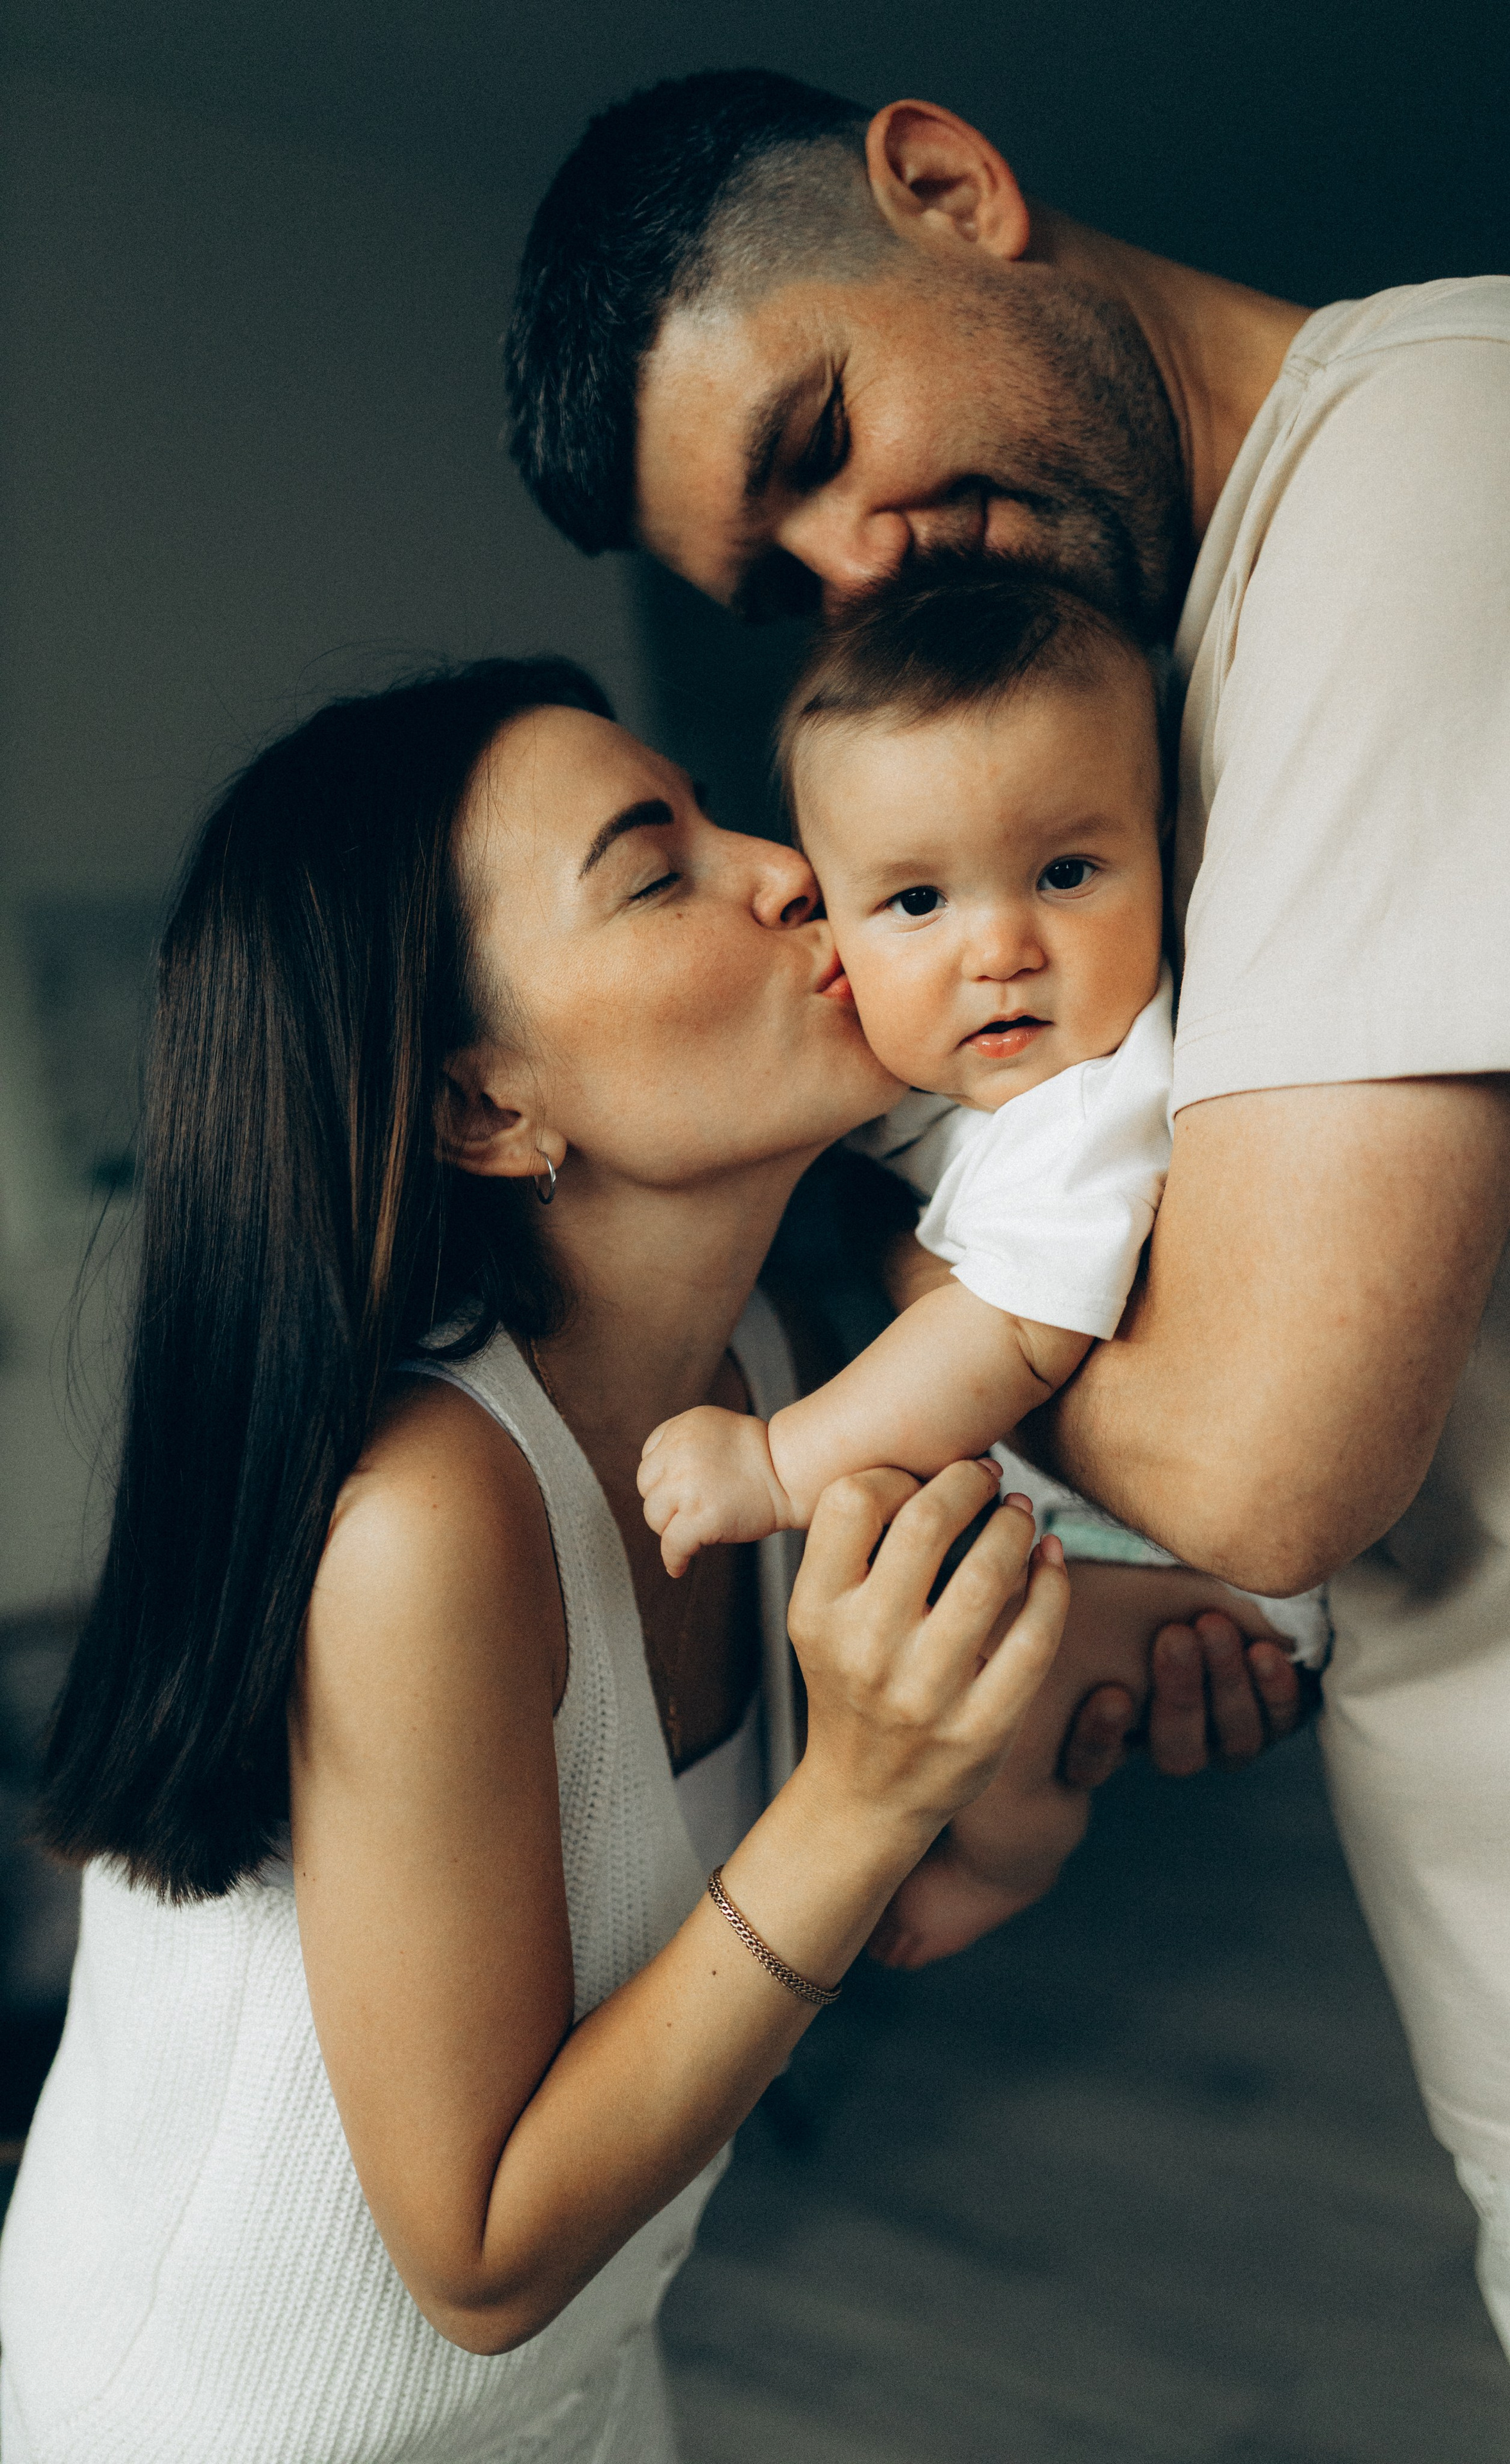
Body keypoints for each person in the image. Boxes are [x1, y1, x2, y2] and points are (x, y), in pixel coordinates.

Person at [504, 69, 1510, 2461]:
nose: (855, 563)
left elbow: (1266, 1443)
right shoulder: (1141, 707)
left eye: (819, 434)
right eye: (776, 575)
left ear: (949, 189)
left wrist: (957, 1327)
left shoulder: (1435, 457)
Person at [0, 656, 1076, 2464]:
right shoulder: (430, 1523)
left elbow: (870, 1917)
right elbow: (478, 2253)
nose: (789, 866)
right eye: (658, 870)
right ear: (486, 1109)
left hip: (576, 2392)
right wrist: (868, 1789)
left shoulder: (765, 1396)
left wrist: (1077, 1678)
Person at [640, 559, 1328, 1967]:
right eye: (913, 904)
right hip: (1077, 1515)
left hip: (1176, 1566)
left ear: (1165, 853)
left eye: (1066, 874)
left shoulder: (1094, 1111)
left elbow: (1008, 1337)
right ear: (830, 920)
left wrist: (779, 1465)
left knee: (990, 1680)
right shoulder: (952, 1075)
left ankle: (1006, 1864)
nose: (1000, 948)